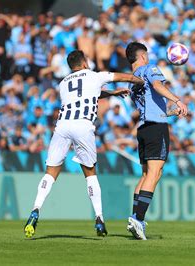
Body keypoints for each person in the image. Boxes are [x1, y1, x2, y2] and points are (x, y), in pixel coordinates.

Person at [23, 50, 144, 238]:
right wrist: (141, 80)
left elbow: (85, 94)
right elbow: (121, 77)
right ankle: (99, 219)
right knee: (90, 174)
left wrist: (111, 93)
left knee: (50, 172)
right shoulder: (95, 76)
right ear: (85, 62)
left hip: (62, 126)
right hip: (83, 125)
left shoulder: (63, 83)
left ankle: (35, 209)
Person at [125, 42, 188, 240]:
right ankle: (138, 219)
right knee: (155, 172)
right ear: (143, 56)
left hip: (144, 128)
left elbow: (149, 106)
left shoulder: (132, 81)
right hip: (156, 129)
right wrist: (177, 100)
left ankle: (135, 217)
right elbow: (157, 85)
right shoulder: (150, 69)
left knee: (145, 174)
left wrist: (170, 111)